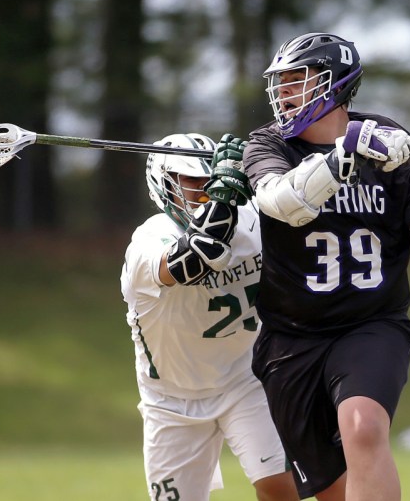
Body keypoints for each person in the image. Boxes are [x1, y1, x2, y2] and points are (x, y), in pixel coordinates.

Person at [242, 32, 410, 500]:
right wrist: (345, 153)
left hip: (371, 323)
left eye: (295, 82)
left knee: (365, 428)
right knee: (332, 489)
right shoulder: (268, 144)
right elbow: (283, 202)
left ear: (335, 85)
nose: (283, 95)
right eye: (280, 85)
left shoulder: (391, 139)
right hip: (292, 337)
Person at [120, 132, 298, 501]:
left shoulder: (251, 222)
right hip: (171, 401)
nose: (205, 192)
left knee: (280, 489)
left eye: (211, 182)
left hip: (246, 382)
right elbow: (193, 261)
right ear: (164, 185)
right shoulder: (149, 241)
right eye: (194, 184)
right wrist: (223, 202)